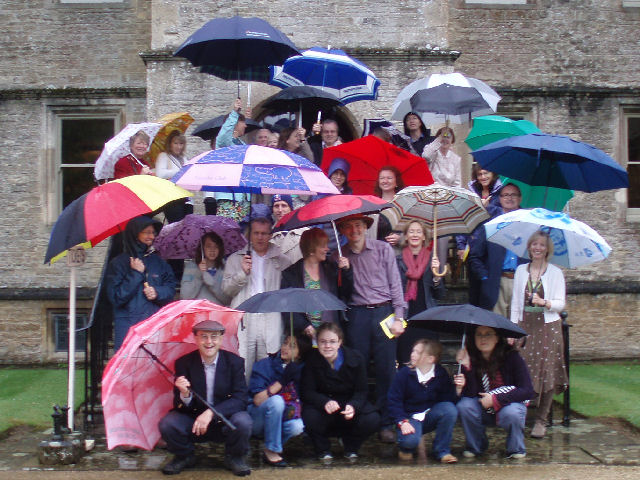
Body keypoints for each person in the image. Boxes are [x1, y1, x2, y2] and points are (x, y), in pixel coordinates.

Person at [333, 214, 406, 442]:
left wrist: (399, 317)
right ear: (342, 230)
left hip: (384, 313)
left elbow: (395, 284)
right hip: (357, 315)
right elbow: (341, 294)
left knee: (386, 370)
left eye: (358, 225)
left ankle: (386, 422)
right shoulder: (339, 255)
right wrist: (343, 271)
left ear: (366, 227)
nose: (354, 230)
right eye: (348, 226)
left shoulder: (383, 249)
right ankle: (361, 419)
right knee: (359, 369)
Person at [158, 320, 252, 476]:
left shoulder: (234, 362)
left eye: (214, 337)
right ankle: (184, 456)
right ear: (195, 339)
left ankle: (234, 457)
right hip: (194, 419)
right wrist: (185, 394)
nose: (209, 342)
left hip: (224, 418)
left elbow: (240, 399)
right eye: (204, 337)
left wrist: (210, 413)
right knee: (168, 424)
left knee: (243, 422)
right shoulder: (184, 363)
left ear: (221, 339)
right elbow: (178, 405)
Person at [222, 204, 292, 378]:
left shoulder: (281, 259)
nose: (260, 237)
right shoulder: (236, 258)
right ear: (250, 234)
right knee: (242, 366)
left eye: (264, 233)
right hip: (245, 317)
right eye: (256, 233)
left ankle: (264, 403)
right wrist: (242, 273)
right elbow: (226, 290)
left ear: (270, 234)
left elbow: (289, 291)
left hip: (270, 316)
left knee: (267, 369)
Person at [511, 230, 567, 439]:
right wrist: (512, 329)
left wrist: (544, 302)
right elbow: (516, 303)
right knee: (523, 370)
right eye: (534, 244)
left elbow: (561, 304)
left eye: (542, 245)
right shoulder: (520, 271)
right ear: (529, 247)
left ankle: (541, 420)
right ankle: (520, 415)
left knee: (548, 372)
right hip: (526, 325)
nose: (537, 248)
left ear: (547, 249)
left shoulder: (555, 273)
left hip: (548, 327)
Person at [301, 322, 381, 462]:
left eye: (332, 341)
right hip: (324, 409)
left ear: (340, 342)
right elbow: (307, 392)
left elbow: (362, 391)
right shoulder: (311, 360)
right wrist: (324, 402)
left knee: (372, 419)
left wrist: (353, 405)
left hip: (348, 407)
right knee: (309, 415)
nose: (327, 346)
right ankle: (323, 449)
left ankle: (351, 447)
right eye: (323, 342)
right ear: (317, 342)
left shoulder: (356, 358)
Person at [453, 325, 534, 459]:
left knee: (512, 413)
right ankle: (476, 445)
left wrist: (495, 399)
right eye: (479, 334)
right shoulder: (472, 358)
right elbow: (471, 395)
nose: (483, 338)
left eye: (488, 334)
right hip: (483, 407)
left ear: (497, 338)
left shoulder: (512, 358)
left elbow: (527, 390)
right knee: (465, 406)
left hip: (508, 406)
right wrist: (467, 367)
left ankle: (516, 448)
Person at [106, 216, 176, 351]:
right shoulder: (119, 264)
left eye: (153, 232)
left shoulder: (159, 262)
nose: (151, 236)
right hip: (128, 328)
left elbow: (170, 289)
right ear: (135, 233)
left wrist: (157, 292)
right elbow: (116, 297)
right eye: (147, 232)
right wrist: (136, 274)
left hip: (153, 326)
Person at [387, 338, 458, 463]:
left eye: (418, 352)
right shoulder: (404, 374)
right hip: (409, 418)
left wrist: (458, 389)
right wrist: (402, 421)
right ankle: (405, 448)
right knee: (410, 441)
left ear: (431, 359)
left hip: (429, 415)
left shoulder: (440, 373)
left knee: (449, 410)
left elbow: (447, 399)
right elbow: (394, 401)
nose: (413, 354)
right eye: (413, 351)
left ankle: (442, 451)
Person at [247, 334, 310, 467]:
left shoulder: (301, 371)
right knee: (276, 401)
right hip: (258, 419)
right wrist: (282, 381)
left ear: (299, 354)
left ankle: (269, 446)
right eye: (285, 343)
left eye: (292, 346)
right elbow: (257, 400)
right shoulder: (265, 365)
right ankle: (272, 450)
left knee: (297, 427)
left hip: (282, 420)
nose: (285, 348)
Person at [280, 228, 353, 339]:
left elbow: (345, 293)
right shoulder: (291, 274)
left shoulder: (331, 268)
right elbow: (287, 307)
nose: (327, 249)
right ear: (311, 249)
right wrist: (305, 326)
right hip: (305, 339)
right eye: (323, 246)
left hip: (331, 334)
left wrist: (346, 271)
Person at [468, 183, 527, 316]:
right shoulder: (491, 225)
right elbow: (475, 256)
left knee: (519, 329)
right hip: (496, 283)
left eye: (513, 195)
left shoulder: (528, 225)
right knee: (497, 329)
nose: (509, 198)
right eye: (505, 195)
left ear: (520, 198)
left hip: (521, 283)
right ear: (499, 199)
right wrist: (485, 277)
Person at [395, 221, 444, 365]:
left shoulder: (432, 260)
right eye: (411, 231)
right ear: (405, 236)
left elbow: (439, 294)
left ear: (424, 237)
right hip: (406, 317)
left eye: (418, 231)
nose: (415, 234)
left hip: (427, 318)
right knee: (406, 360)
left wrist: (437, 276)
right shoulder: (397, 261)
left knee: (428, 360)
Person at [213, 98, 251, 221]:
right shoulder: (225, 143)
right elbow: (223, 135)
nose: (245, 125)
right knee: (227, 234)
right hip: (229, 198)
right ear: (235, 123)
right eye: (243, 122)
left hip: (243, 198)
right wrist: (235, 112)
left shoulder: (242, 144)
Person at [455, 166, 503, 261]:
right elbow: (463, 219)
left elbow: (503, 215)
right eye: (479, 174)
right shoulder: (471, 194)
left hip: (494, 243)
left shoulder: (501, 193)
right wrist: (461, 245)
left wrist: (487, 208)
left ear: (493, 174)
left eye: (486, 173)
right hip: (474, 244)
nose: (483, 177)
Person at [180, 232, 230, 305]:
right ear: (202, 248)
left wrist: (211, 283)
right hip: (197, 311)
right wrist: (199, 274)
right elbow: (185, 297)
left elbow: (228, 299)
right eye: (208, 246)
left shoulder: (224, 267)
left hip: (218, 312)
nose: (212, 250)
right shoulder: (191, 267)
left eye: (216, 246)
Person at [155, 130, 193, 223]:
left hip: (186, 198)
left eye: (181, 143)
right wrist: (179, 171)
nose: (178, 146)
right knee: (176, 225)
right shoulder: (164, 156)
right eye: (175, 143)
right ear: (170, 143)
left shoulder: (183, 158)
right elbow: (160, 174)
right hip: (172, 198)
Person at [372, 166, 404, 247]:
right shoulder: (372, 205)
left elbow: (414, 229)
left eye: (389, 178)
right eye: (382, 178)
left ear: (396, 182)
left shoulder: (403, 204)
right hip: (378, 251)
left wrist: (402, 239)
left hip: (399, 253)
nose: (385, 181)